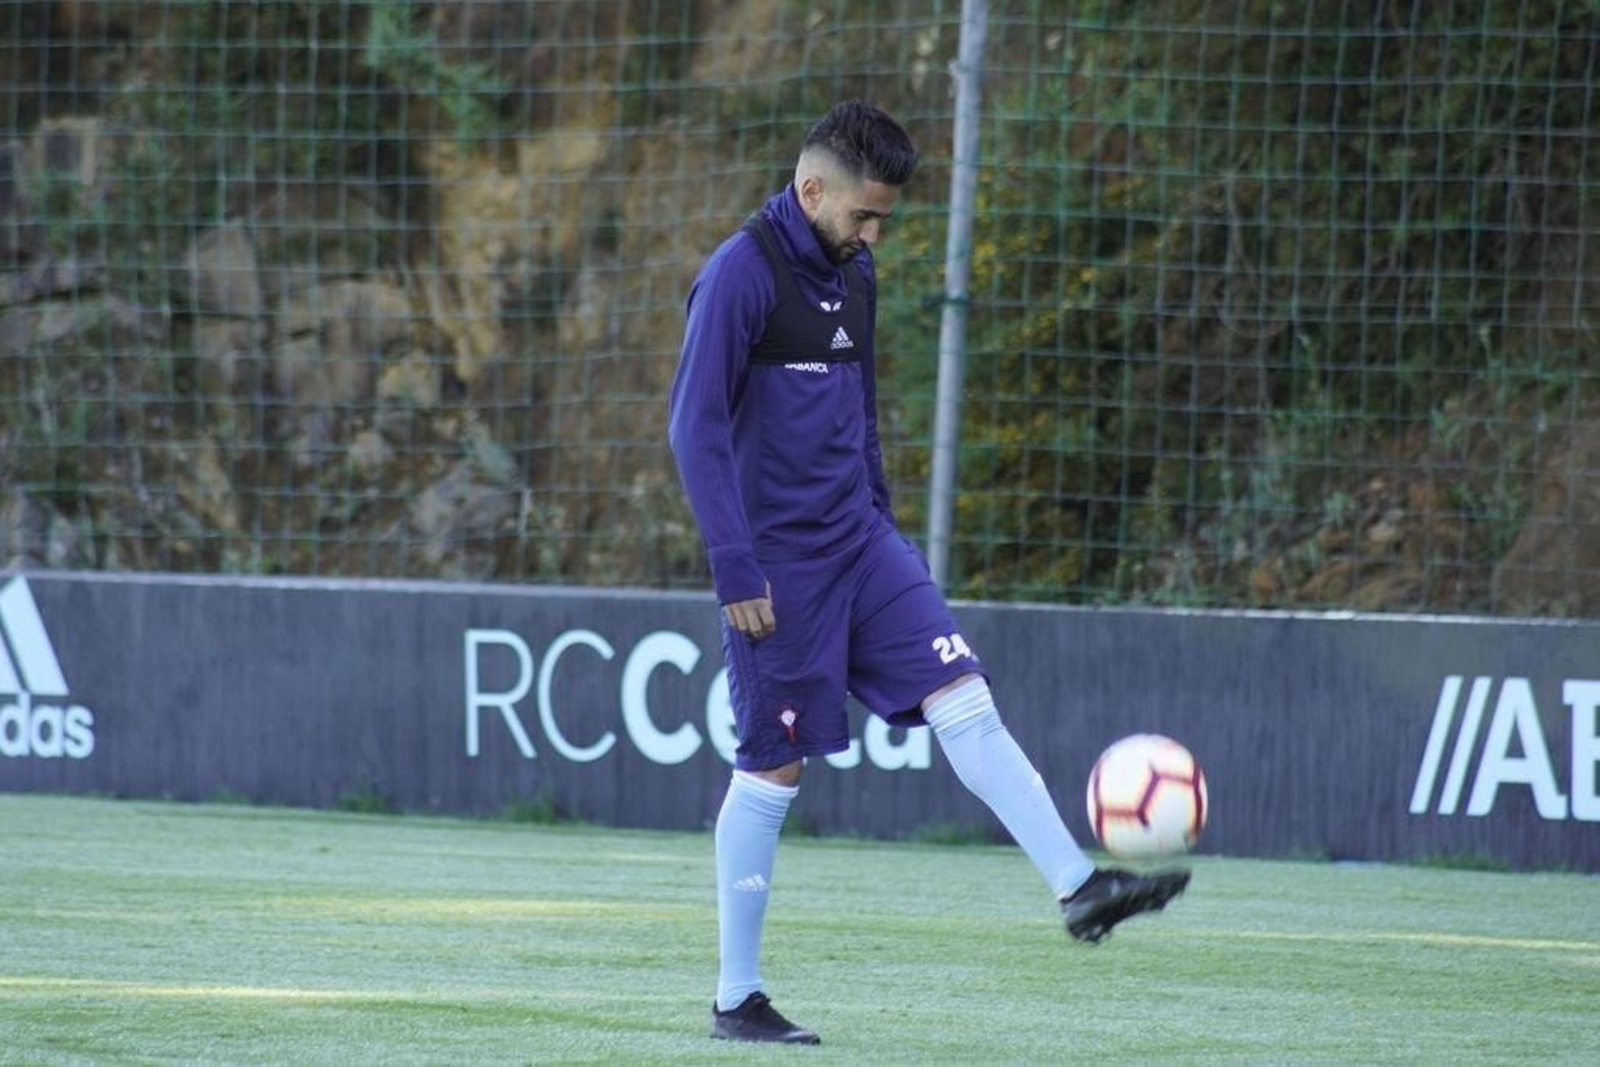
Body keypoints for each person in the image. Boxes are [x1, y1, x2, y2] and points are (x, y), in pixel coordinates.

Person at [667, 101, 1189, 1046]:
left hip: (863, 544)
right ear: (811, 188)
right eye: (863, 216)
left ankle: (1080, 886)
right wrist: (734, 563)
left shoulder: (852, 270)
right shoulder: (741, 273)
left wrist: (882, 520)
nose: (872, 236)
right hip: (777, 568)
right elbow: (693, 426)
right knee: (774, 765)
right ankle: (736, 997)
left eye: (883, 220)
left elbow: (859, 406)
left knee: (964, 694)